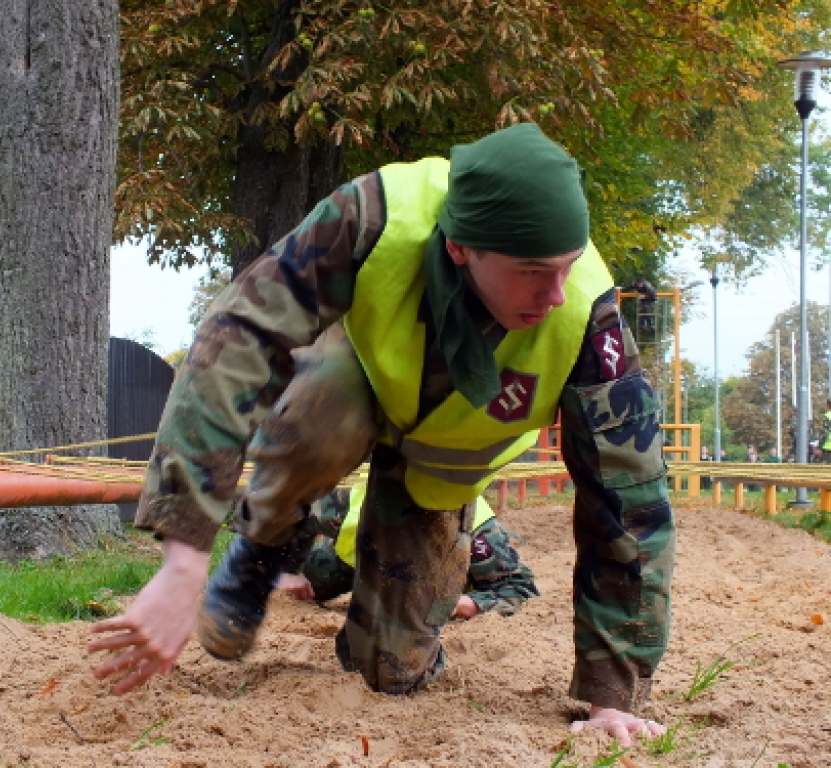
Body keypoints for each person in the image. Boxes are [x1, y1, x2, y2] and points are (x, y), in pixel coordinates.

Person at [87, 123, 673, 747]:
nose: (555, 295)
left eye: (566, 267)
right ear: (460, 248)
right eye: (532, 271)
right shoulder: (375, 216)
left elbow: (629, 500)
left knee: (389, 674)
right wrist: (183, 558)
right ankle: (267, 544)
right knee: (323, 409)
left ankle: (401, 632)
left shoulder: (587, 314)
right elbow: (236, 335)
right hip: (357, 384)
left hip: (441, 469)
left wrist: (613, 694)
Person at [277, 487, 538, 621]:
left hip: (432, 595)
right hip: (357, 562)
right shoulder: (349, 505)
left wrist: (467, 605)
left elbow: (520, 589)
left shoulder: (479, 536)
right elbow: (281, 512)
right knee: (310, 580)